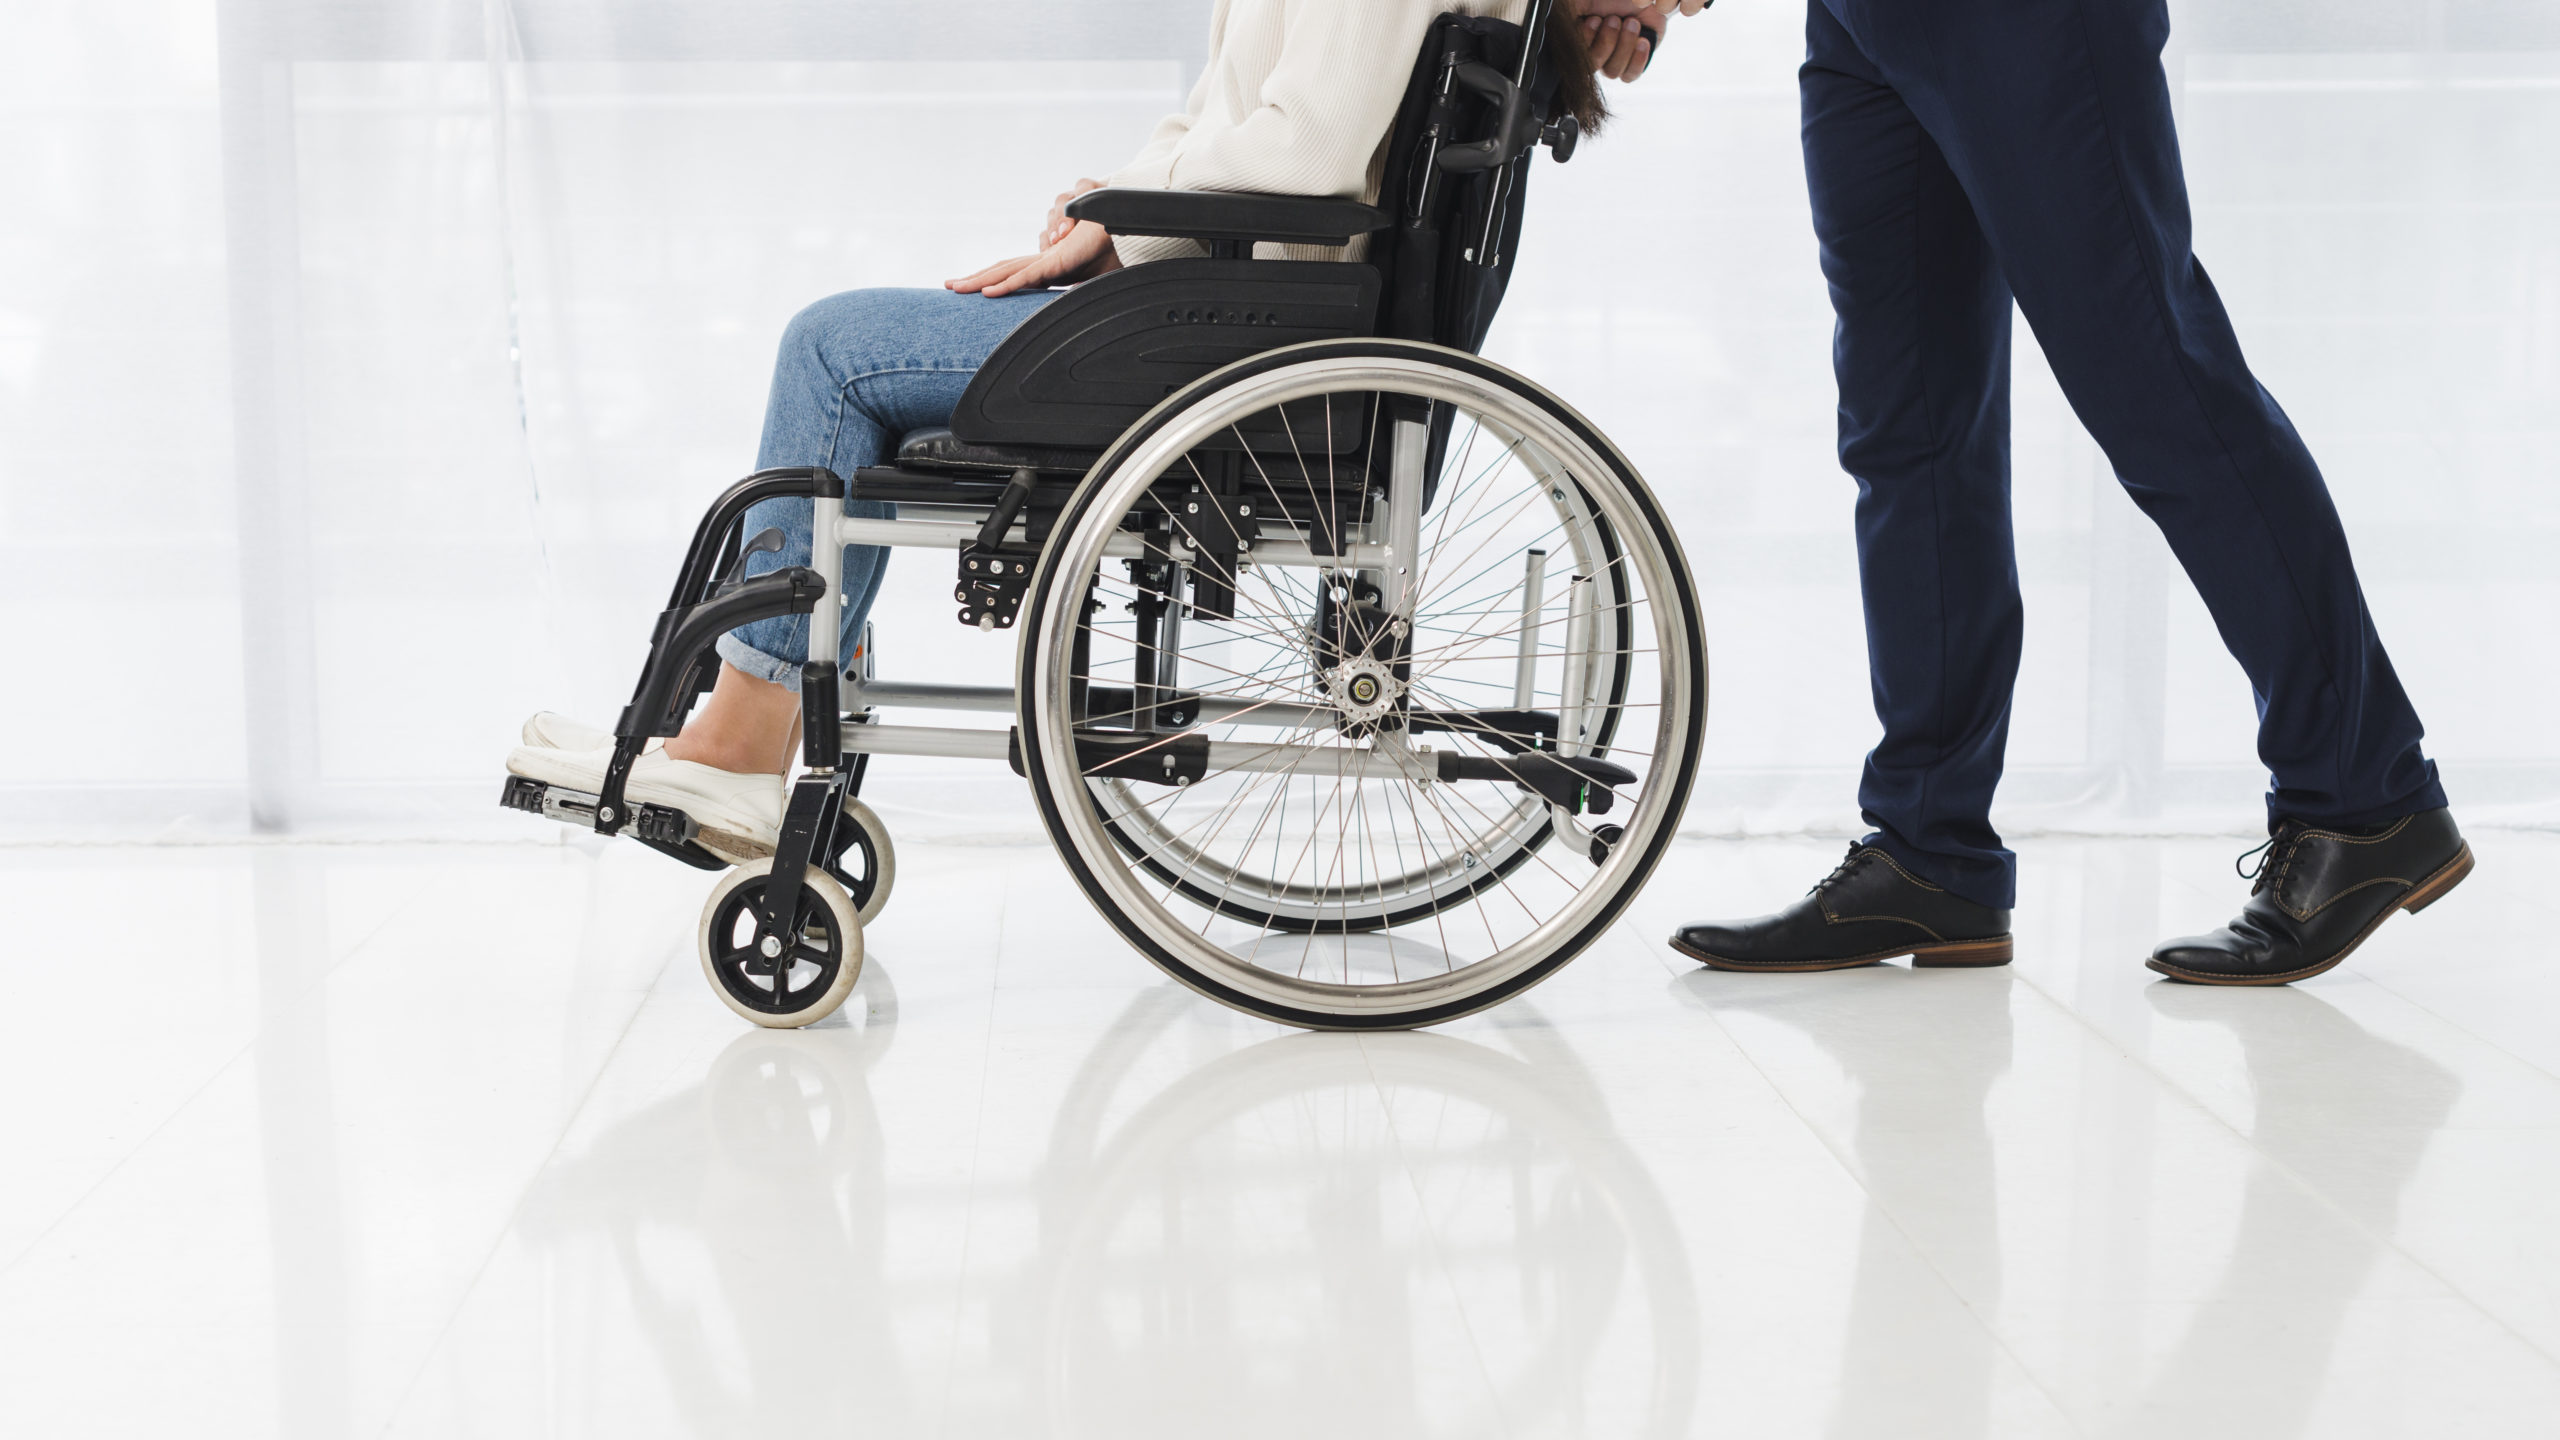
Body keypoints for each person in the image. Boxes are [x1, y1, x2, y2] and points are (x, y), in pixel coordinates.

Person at [506, 0, 1642, 864]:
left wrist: (1123, 220)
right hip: (1235, 306)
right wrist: (1130, 203)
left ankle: (746, 736)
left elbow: (1303, 158)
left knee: (833, 352)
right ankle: (763, 707)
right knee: (876, 376)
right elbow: (1228, 119)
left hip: (1239, 329)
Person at [1641, 0, 2470, 985]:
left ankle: (2366, 801)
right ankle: (1928, 849)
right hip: (1862, 26)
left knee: (2159, 388)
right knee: (1904, 430)